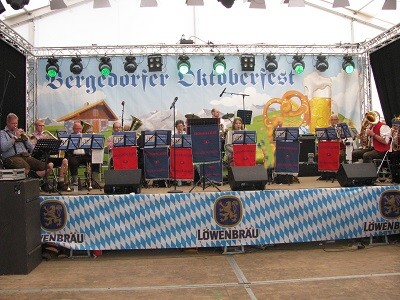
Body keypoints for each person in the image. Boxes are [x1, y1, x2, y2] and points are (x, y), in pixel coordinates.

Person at [0, 113, 53, 178]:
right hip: (11, 157)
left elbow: (32, 149)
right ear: (7, 122)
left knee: (46, 167)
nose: (15, 125)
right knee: (25, 166)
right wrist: (15, 137)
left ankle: (43, 183)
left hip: (25, 156)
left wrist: (26, 139)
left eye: (16, 123)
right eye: (13, 123)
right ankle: (33, 177)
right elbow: (3, 147)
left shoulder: (20, 133)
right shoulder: (2, 133)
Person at [32, 118, 69, 190]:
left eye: (43, 126)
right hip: (38, 157)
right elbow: (33, 149)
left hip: (47, 156)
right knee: (50, 164)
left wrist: (53, 142)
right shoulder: (32, 136)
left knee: (65, 161)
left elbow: (54, 149)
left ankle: (60, 182)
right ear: (36, 126)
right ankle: (45, 182)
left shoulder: (46, 135)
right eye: (40, 125)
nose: (42, 127)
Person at [65, 121, 100, 187]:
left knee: (95, 160)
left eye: (80, 129)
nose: (78, 130)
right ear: (73, 129)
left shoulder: (86, 137)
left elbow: (91, 146)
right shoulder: (70, 137)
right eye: (76, 129)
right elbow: (66, 149)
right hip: (74, 156)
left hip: (85, 155)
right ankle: (75, 181)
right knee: (73, 162)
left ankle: (94, 181)